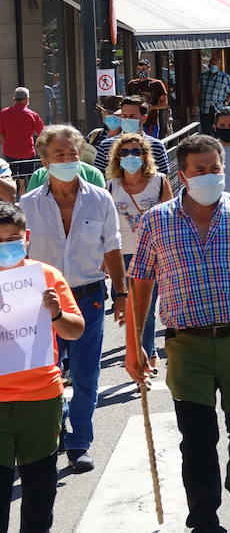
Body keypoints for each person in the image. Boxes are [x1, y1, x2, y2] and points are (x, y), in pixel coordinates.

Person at [126, 135, 230, 533]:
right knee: (197, 440)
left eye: (215, 168)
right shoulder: (158, 219)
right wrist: (135, 344)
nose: (209, 176)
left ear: (224, 168)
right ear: (183, 174)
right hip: (186, 344)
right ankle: (204, 519)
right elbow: (141, 283)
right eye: (199, 170)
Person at [20, 125, 126, 473]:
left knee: (85, 374)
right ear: (44, 160)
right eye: (58, 155)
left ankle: (80, 441)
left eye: (71, 154)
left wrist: (121, 295)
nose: (67, 160)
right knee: (48, 371)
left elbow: (112, 247)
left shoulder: (100, 197)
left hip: (88, 296)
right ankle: (54, 433)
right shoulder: (28, 205)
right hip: (39, 301)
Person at [0, 201, 84, 533]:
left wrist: (55, 313)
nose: (7, 245)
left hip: (42, 398)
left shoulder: (47, 276)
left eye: (13, 238)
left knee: (39, 490)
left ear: (27, 237)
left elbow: (75, 329)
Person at [105, 130, 171, 376]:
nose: (130, 156)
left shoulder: (159, 181)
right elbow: (105, 224)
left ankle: (147, 352)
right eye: (125, 152)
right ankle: (136, 350)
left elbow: (169, 218)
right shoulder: (111, 186)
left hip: (151, 254)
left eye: (136, 152)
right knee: (126, 307)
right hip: (121, 255)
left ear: (145, 156)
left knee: (147, 306)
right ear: (117, 157)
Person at [94, 96, 171, 174]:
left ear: (143, 118)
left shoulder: (157, 146)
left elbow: (164, 181)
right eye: (124, 116)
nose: (127, 120)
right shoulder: (106, 145)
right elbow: (97, 177)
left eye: (132, 116)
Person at [0, 88, 44, 187]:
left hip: (9, 152)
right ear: (27, 99)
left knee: (11, 176)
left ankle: (13, 193)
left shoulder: (4, 113)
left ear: (14, 99)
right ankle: (23, 189)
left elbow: (0, 134)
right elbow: (42, 133)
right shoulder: (32, 115)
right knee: (26, 176)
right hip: (27, 153)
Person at [126, 59, 169, 138]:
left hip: (151, 123)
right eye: (139, 69)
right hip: (134, 123)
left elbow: (164, 104)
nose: (141, 71)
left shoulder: (157, 84)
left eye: (143, 69)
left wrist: (152, 107)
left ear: (149, 69)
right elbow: (127, 103)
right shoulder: (132, 84)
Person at [197, 56, 230, 133]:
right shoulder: (203, 76)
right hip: (205, 107)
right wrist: (197, 103)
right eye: (212, 64)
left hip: (218, 108)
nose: (213, 66)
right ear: (209, 65)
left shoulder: (225, 77)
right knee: (206, 130)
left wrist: (226, 102)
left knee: (218, 130)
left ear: (219, 66)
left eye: (215, 64)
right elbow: (198, 90)